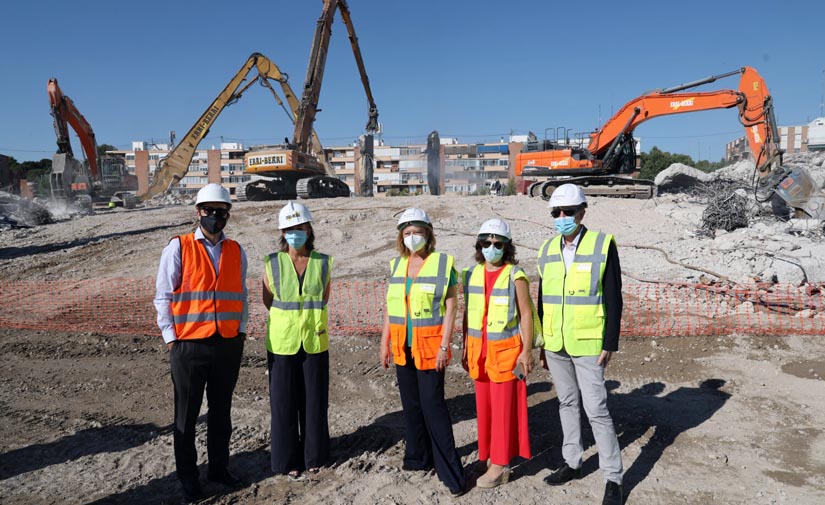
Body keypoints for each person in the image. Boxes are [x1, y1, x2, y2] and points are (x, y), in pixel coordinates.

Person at [153, 183, 247, 503]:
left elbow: (241, 295)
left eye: (221, 212)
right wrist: (171, 339)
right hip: (189, 345)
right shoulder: (178, 247)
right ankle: (188, 477)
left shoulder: (236, 250)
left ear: (227, 215)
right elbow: (163, 296)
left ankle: (218, 469)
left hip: (228, 344)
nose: (215, 217)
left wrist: (241, 331)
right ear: (198, 212)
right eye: (209, 211)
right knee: (187, 416)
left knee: (222, 413)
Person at [537, 183, 624, 505]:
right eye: (556, 213)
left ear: (582, 212)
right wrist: (542, 341)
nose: (562, 218)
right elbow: (543, 299)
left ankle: (613, 477)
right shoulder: (547, 249)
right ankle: (572, 461)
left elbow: (614, 296)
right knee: (566, 404)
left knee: (597, 409)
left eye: (568, 212)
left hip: (589, 341)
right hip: (556, 341)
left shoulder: (602, 245)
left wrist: (610, 341)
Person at [379, 207, 466, 496]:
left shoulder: (442, 263)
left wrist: (445, 345)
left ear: (428, 234)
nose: (412, 237)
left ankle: (450, 472)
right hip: (403, 348)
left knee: (434, 407)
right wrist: (385, 343)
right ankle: (417, 458)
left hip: (430, 348)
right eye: (407, 233)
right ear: (400, 237)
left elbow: (451, 308)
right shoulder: (396, 265)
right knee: (412, 406)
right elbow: (393, 309)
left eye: (417, 232)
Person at [460, 218, 534, 489]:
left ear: (507, 247)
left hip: (506, 354)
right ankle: (490, 455)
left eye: (498, 243)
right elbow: (469, 313)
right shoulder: (471, 274)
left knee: (503, 411)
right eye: (487, 243)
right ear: (480, 245)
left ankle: (500, 465)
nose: (492, 247)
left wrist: (527, 351)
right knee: (486, 410)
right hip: (479, 354)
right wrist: (465, 346)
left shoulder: (516, 274)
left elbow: (527, 314)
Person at [263, 201, 332, 481]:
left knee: (315, 401)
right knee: (283, 403)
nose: (296, 233)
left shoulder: (323, 262)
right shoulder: (272, 262)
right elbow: (268, 300)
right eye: (290, 229)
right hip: (282, 343)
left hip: (314, 342)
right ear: (283, 232)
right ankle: (287, 459)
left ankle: (314, 456)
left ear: (309, 229)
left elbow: (324, 298)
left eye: (300, 227)